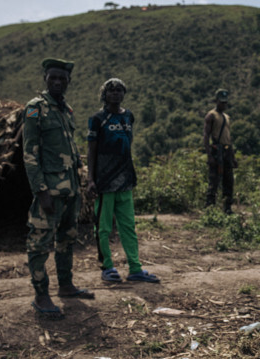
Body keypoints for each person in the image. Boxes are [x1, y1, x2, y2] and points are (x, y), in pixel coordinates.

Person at [23, 58, 94, 318]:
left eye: (62, 78)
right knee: (40, 243)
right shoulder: (34, 108)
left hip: (71, 191)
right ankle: (41, 296)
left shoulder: (67, 110)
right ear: (45, 78)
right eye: (52, 77)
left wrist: (80, 186)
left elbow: (71, 151)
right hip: (50, 190)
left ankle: (66, 286)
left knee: (67, 240)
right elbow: (29, 154)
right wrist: (41, 191)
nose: (57, 82)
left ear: (69, 81)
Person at [86, 78, 160, 284]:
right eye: (111, 91)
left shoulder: (128, 116)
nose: (115, 94)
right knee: (103, 227)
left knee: (128, 226)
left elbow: (128, 145)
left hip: (125, 181)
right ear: (104, 94)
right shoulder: (98, 119)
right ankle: (107, 267)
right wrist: (90, 179)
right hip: (104, 182)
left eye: (119, 90)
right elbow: (91, 149)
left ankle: (135, 268)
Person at [203, 88, 238, 214]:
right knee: (214, 180)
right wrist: (209, 156)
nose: (223, 104)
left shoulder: (227, 117)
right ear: (216, 101)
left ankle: (227, 207)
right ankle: (210, 208)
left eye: (225, 102)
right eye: (221, 102)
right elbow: (206, 136)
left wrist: (233, 157)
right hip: (217, 150)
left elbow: (228, 137)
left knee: (229, 180)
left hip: (227, 150)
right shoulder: (211, 115)